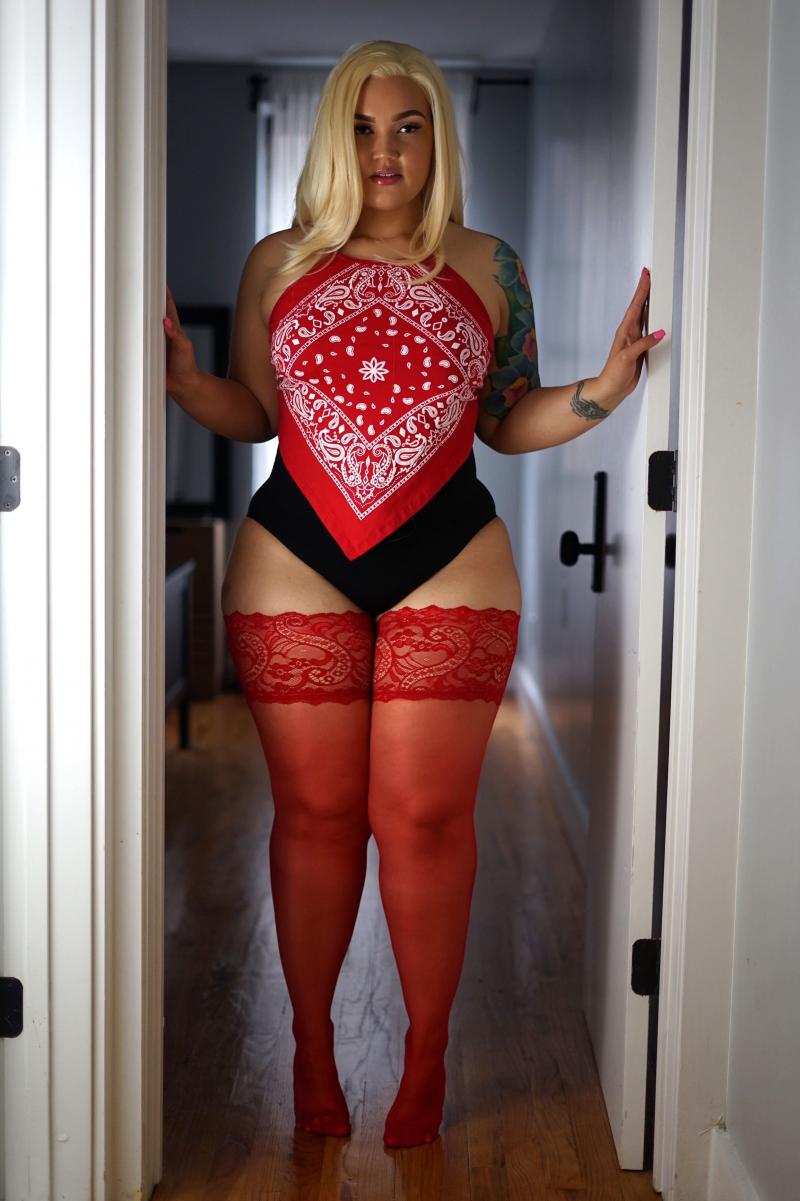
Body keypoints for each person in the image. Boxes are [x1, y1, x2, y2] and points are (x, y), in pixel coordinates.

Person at [163, 39, 664, 1150]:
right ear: (330, 137)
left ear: (439, 138)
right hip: (295, 550)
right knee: (316, 813)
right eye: (360, 127)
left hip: (451, 552)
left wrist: (600, 392)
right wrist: (192, 387)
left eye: (406, 126)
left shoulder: (490, 264)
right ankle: (310, 1046)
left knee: (424, 816)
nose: (383, 150)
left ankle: (425, 1054)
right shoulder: (276, 261)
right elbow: (258, 410)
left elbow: (507, 420)